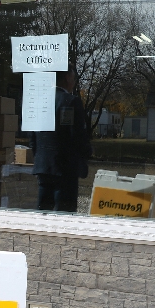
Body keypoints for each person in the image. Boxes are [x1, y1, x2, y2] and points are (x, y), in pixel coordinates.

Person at [31, 63, 91, 212]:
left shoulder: (39, 102)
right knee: (64, 218)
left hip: (43, 167)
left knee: (43, 214)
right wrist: (87, 152)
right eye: (73, 77)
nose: (74, 81)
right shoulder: (71, 101)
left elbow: (32, 136)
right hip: (65, 170)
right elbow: (77, 136)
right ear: (67, 78)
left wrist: (38, 157)